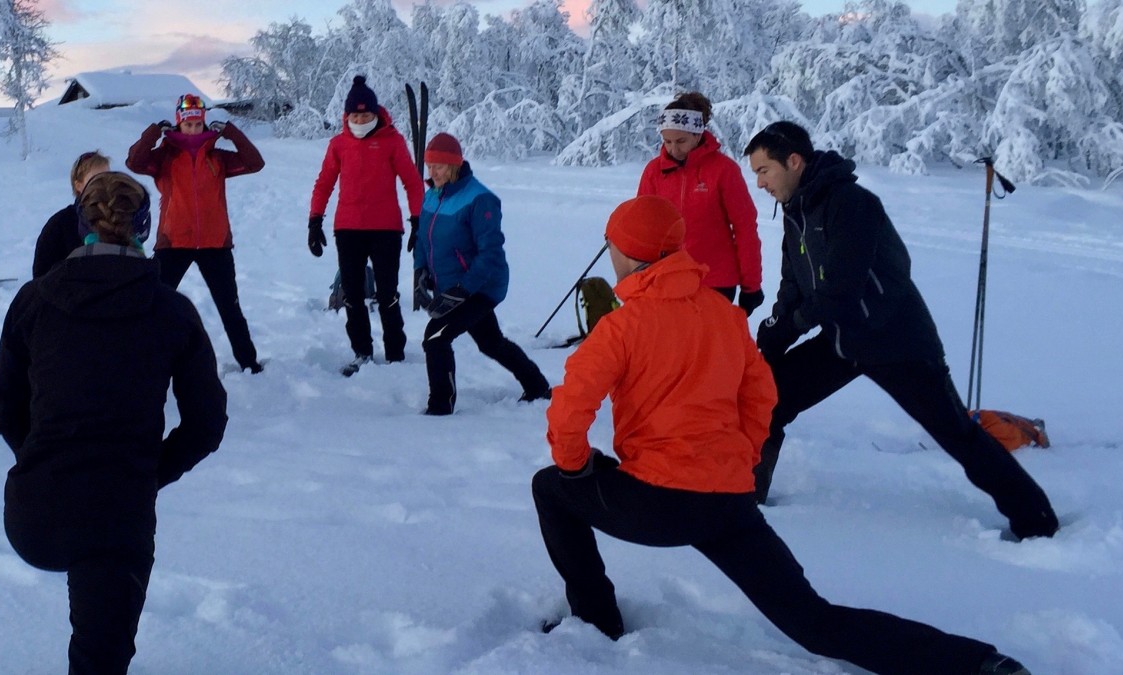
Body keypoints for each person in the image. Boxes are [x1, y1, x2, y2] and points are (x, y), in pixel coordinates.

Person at [531, 196, 1033, 675]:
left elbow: (571, 409)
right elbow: (761, 399)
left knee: (551, 486)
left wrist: (576, 466)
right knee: (814, 621)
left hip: (656, 505)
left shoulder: (621, 328)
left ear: (628, 252)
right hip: (727, 503)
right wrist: (742, 459)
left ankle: (596, 618)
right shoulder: (725, 317)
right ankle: (976, 664)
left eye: (610, 244)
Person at [742, 121, 1058, 539]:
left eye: (764, 171)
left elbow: (840, 289)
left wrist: (794, 325)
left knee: (956, 433)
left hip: (897, 340)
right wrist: (771, 336)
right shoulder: (797, 211)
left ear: (794, 161)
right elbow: (795, 286)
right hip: (843, 341)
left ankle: (1037, 522)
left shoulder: (851, 204)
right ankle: (744, 503)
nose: (760, 183)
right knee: (767, 400)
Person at [0, 171, 228, 674]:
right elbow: (207, 423)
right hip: (119, 516)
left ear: (82, 225)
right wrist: (147, 473)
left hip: (36, 514)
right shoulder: (173, 311)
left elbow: (2, 410)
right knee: (101, 657)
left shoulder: (33, 300)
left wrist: (41, 455)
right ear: (143, 228)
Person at [411, 133, 551, 415]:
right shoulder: (432, 196)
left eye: (438, 165)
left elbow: (491, 254)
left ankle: (440, 407)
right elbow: (424, 239)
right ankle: (537, 386)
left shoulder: (480, 199)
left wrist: (462, 290)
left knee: (436, 337)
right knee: (490, 342)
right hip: (451, 286)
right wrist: (419, 272)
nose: (432, 171)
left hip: (482, 286)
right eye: (429, 165)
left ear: (453, 165)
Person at [126, 94, 266, 373]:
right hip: (174, 242)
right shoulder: (165, 156)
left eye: (197, 124)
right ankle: (142, 361)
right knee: (154, 303)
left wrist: (231, 132)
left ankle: (249, 363)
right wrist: (154, 132)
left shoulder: (217, 157)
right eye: (187, 125)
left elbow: (254, 163)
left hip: (216, 244)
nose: (193, 129)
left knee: (230, 308)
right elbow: (135, 162)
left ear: (204, 124)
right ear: (179, 124)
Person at [308, 76, 425, 373]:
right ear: (347, 116)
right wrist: (314, 221)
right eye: (355, 115)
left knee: (387, 294)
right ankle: (362, 352)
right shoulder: (339, 145)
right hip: (347, 229)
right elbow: (324, 184)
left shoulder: (393, 141)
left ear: (376, 114)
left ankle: (395, 354)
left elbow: (412, 182)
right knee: (353, 295)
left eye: (366, 115)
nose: (361, 120)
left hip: (386, 229)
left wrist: (417, 220)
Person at [637, 91, 763, 315]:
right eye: (667, 141)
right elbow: (643, 229)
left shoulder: (724, 170)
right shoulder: (653, 172)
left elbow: (745, 228)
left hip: (716, 282)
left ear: (698, 134)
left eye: (681, 141)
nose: (674, 149)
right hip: (667, 280)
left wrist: (751, 284)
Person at [32, 151, 151, 278]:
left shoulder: (127, 214)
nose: (104, 183)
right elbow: (41, 275)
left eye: (108, 176)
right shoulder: (61, 223)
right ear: (78, 185)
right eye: (96, 179)